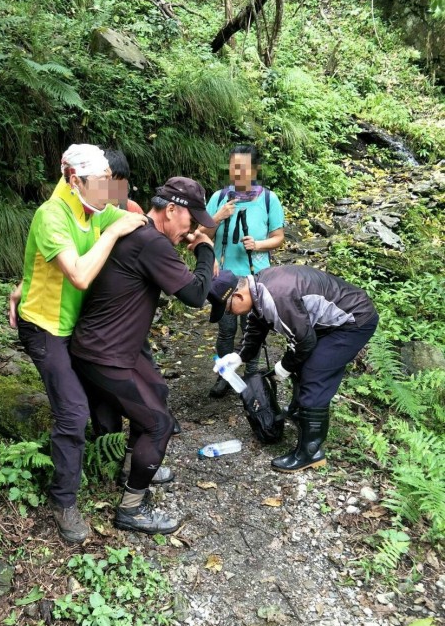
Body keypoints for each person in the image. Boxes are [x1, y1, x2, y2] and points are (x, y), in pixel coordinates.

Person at [11, 144, 147, 544]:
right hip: (44, 329)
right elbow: (79, 276)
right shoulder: (51, 215)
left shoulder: (93, 209)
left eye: (109, 181)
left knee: (115, 384)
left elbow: (139, 225)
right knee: (72, 412)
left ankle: (117, 462)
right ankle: (63, 500)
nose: (108, 190)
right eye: (101, 182)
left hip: (78, 327)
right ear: (75, 180)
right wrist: (116, 231)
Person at [71, 177, 216, 534]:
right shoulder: (150, 242)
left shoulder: (142, 234)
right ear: (171, 210)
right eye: (191, 221)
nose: (192, 229)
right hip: (103, 354)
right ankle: (132, 508)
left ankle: (129, 468)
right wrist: (205, 248)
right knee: (158, 424)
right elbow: (197, 295)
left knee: (157, 393)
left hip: (112, 348)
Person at [207, 266, 379, 472]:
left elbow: (304, 341)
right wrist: (239, 356)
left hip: (353, 321)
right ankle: (301, 414)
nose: (229, 313)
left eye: (228, 309)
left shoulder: (277, 295)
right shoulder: (258, 289)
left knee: (316, 373)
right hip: (328, 323)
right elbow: (256, 326)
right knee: (304, 367)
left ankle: (311, 452)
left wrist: (285, 366)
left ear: (238, 296)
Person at [204, 145, 285, 398]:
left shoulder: (269, 199)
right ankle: (224, 377)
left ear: (254, 169)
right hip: (224, 277)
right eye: (234, 166)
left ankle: (252, 374)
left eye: (244, 167)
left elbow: (278, 237)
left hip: (256, 277)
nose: (238, 172)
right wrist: (217, 217)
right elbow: (202, 236)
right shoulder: (219, 198)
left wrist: (258, 244)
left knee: (254, 330)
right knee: (226, 330)